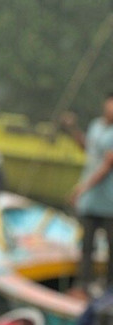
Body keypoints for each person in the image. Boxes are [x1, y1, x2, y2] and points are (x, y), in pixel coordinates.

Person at [63, 96, 113, 298]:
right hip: (90, 202)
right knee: (86, 246)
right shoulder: (96, 126)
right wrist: (73, 129)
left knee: (111, 247)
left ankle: (109, 289)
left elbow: (106, 166)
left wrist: (80, 189)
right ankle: (83, 286)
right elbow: (87, 148)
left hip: (109, 202)